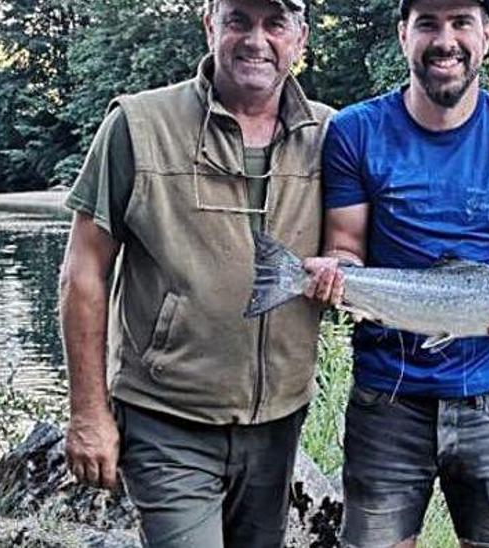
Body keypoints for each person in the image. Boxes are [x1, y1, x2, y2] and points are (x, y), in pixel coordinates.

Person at [57, 0, 334, 545]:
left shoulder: (332, 135)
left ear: (300, 38)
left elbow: (363, 244)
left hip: (279, 423)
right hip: (167, 420)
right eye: (238, 20)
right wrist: (88, 412)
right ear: (210, 24)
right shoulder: (138, 125)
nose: (256, 39)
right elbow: (82, 273)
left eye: (275, 23)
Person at [303, 0, 489, 545]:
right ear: (404, 35)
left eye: (461, 23)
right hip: (387, 398)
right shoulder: (355, 130)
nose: (444, 39)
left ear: (487, 35)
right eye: (428, 23)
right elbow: (346, 246)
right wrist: (338, 279)